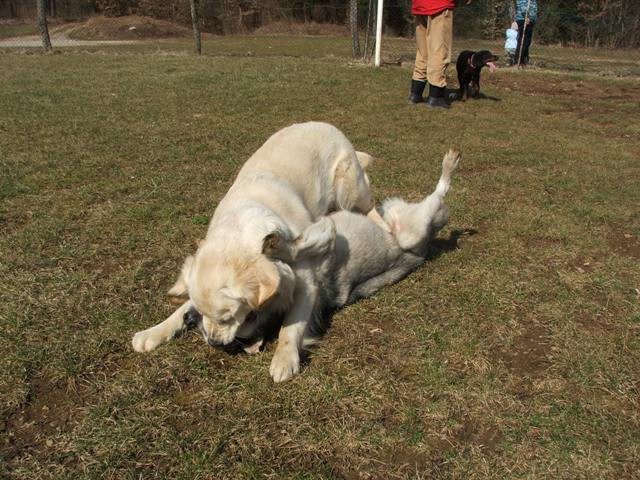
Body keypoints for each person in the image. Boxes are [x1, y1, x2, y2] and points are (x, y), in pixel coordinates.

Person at [408, 0, 458, 110]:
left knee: (423, 51)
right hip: (439, 5)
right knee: (439, 51)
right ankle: (436, 97)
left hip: (420, 5)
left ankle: (415, 94)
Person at [514, 0, 537, 66]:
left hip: (530, 21)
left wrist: (533, 19)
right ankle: (518, 61)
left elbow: (534, 9)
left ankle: (524, 60)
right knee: (523, 41)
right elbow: (522, 7)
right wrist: (526, 17)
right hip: (524, 20)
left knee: (527, 42)